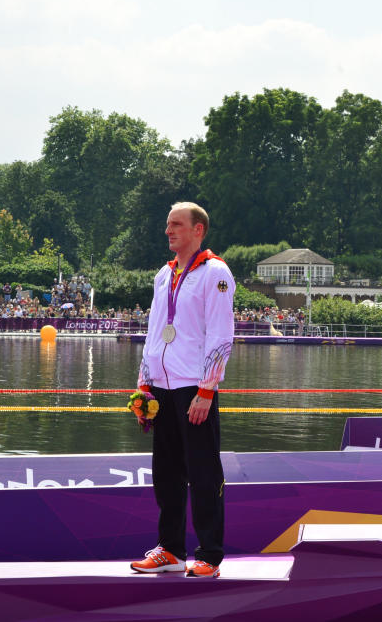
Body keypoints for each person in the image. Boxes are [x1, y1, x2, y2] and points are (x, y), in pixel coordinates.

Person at [129, 202, 235, 578]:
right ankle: (171, 550)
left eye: (176, 225)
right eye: (167, 224)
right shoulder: (165, 274)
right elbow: (156, 329)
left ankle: (209, 554)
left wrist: (207, 390)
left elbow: (222, 335)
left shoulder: (215, 272)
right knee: (166, 473)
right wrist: (144, 384)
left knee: (204, 472)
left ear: (198, 231)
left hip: (194, 386)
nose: (168, 231)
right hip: (161, 387)